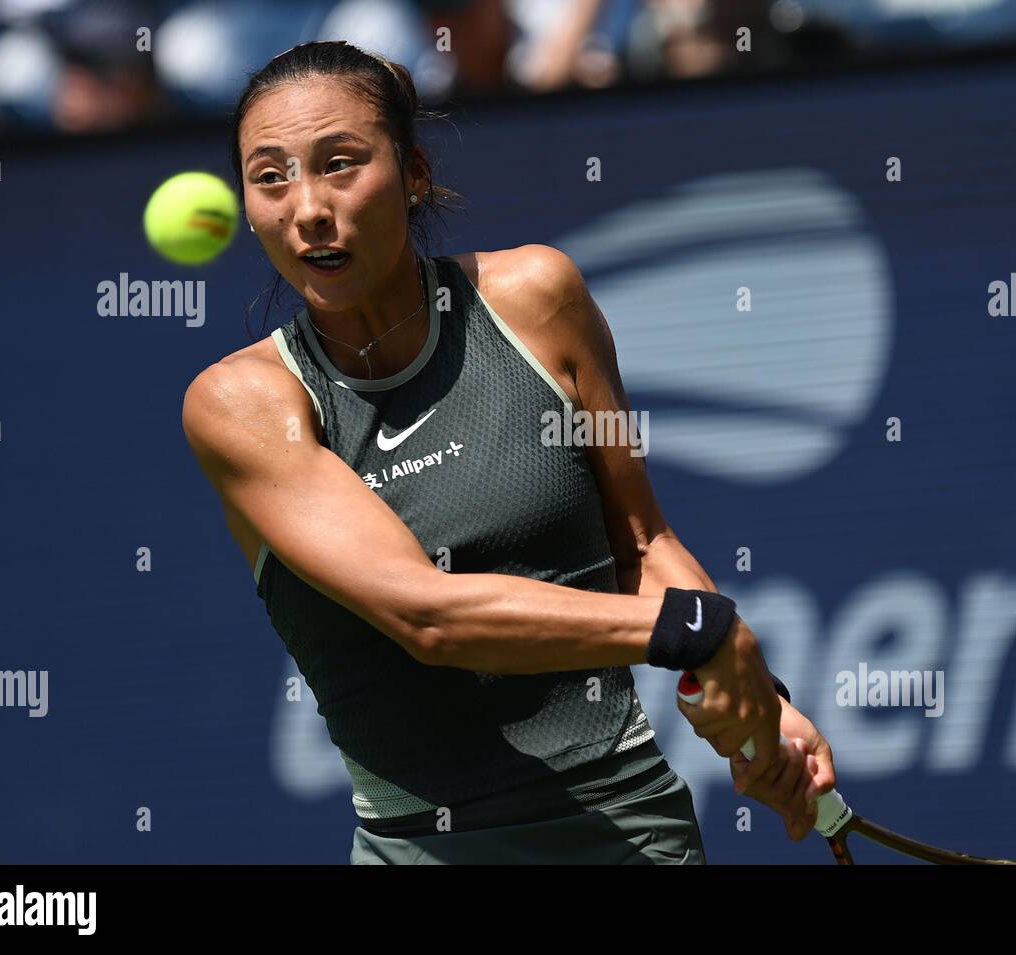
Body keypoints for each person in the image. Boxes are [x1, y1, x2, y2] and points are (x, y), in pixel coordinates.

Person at [181, 40, 836, 864]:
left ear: (414, 173)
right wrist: (699, 628)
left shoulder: (538, 298)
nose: (307, 206)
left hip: (630, 829)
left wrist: (761, 710)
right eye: (270, 176)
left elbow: (641, 543)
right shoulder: (241, 403)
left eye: (340, 163)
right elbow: (430, 615)